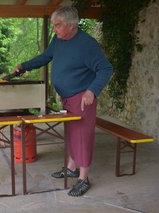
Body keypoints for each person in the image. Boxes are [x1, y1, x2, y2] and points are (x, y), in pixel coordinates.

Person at [13, 6, 113, 197]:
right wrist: (24, 66)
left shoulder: (87, 44)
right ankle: (71, 167)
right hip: (66, 97)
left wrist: (92, 91)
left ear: (71, 25)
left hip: (82, 98)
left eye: (58, 25)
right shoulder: (58, 41)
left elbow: (105, 69)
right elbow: (45, 57)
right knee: (71, 133)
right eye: (54, 25)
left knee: (82, 136)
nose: (54, 29)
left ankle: (83, 179)